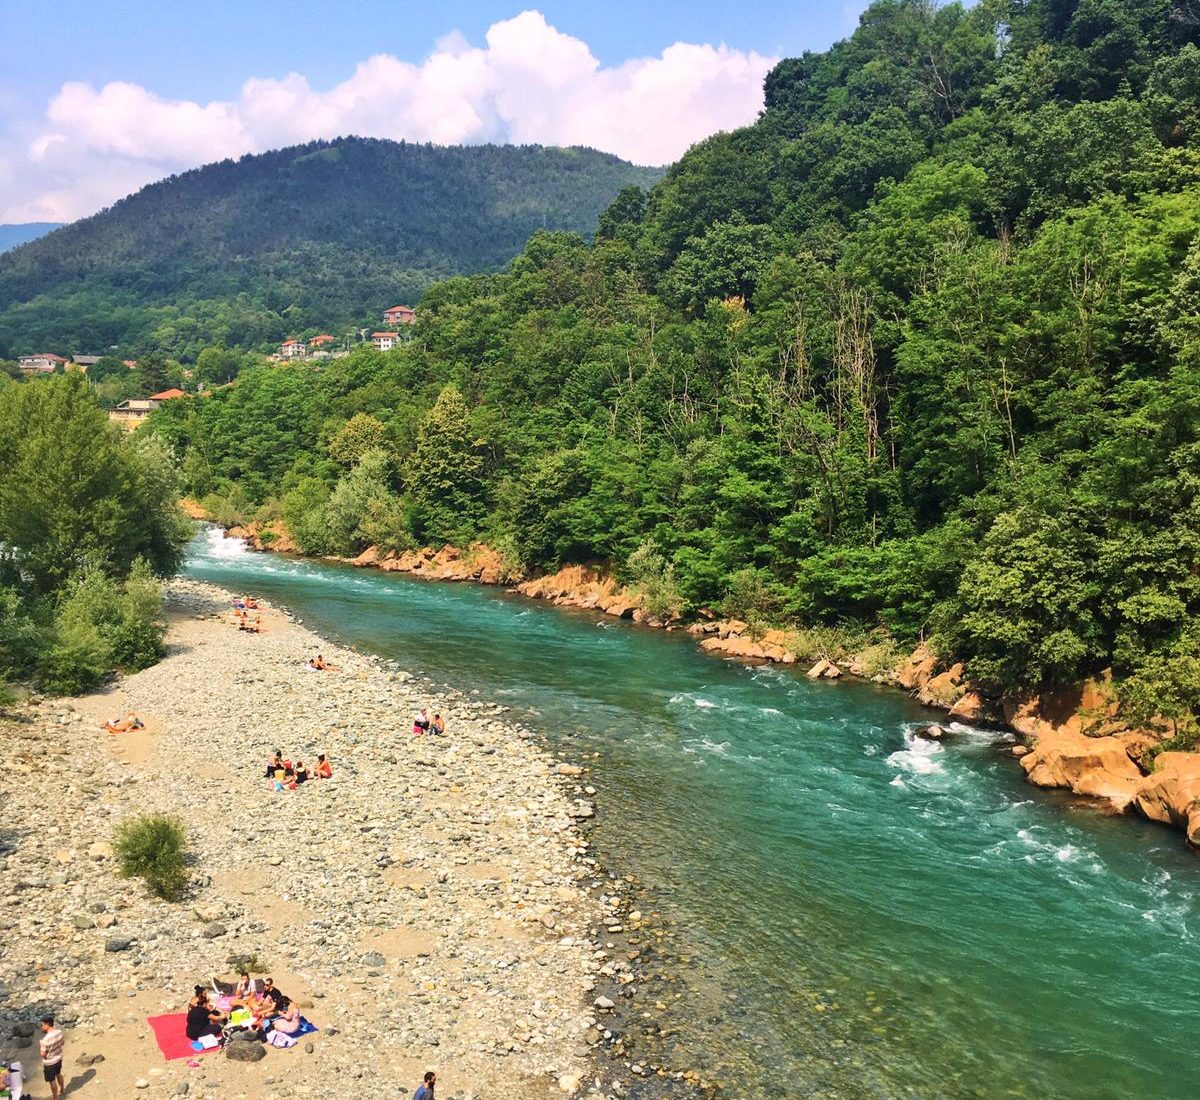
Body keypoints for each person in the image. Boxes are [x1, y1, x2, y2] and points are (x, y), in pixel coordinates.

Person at [38, 1016, 64, 1100]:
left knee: (52, 1080)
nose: (41, 1027)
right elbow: (62, 1043)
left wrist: (41, 1045)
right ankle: (62, 1089)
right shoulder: (60, 1032)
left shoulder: (45, 1040)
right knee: (58, 1073)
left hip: (50, 1062)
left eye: (42, 1025)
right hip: (58, 1058)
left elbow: (43, 1054)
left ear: (47, 1025)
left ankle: (55, 1098)